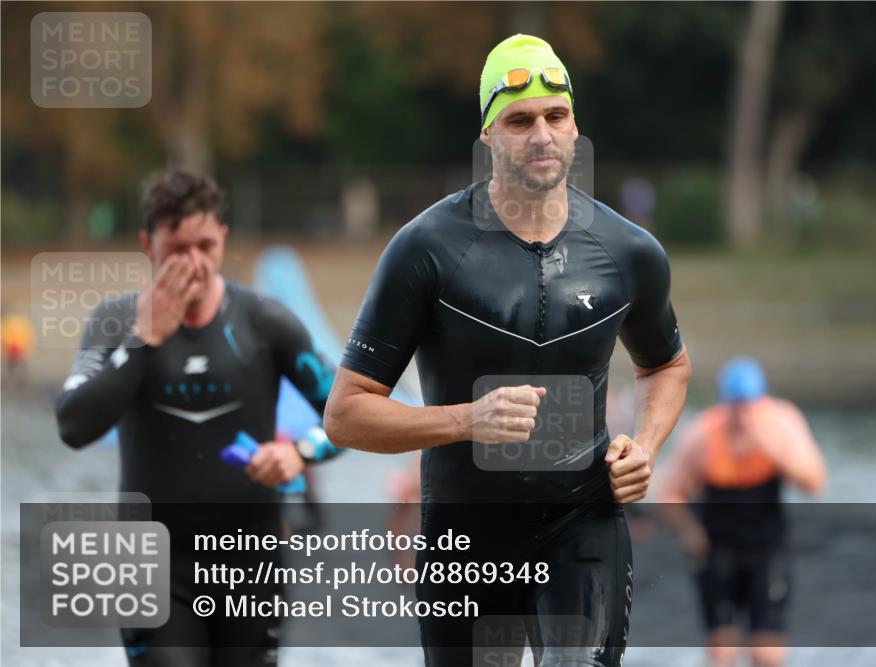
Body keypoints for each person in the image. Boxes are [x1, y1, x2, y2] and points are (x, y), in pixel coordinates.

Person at [325, 34, 692, 666]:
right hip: (465, 533)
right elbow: (346, 413)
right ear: (489, 136)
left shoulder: (628, 251)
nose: (542, 135)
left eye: (556, 116)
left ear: (576, 126)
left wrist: (648, 446)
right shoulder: (427, 249)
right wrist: (467, 420)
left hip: (582, 522)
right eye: (520, 121)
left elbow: (666, 366)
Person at [54, 169, 341, 667]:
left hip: (250, 565)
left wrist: (297, 453)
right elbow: (73, 426)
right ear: (148, 245)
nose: (193, 264)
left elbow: (347, 416)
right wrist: (146, 339)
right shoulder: (116, 322)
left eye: (205, 246)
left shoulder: (264, 321)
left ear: (223, 240)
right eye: (177, 249)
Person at [660, 357, 826, 667]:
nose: (743, 416)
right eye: (735, 407)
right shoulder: (703, 434)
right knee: (722, 653)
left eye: (750, 406)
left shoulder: (782, 423)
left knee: (766, 653)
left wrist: (774, 451)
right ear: (724, 405)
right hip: (717, 548)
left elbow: (815, 483)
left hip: (767, 549)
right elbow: (669, 493)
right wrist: (690, 533)